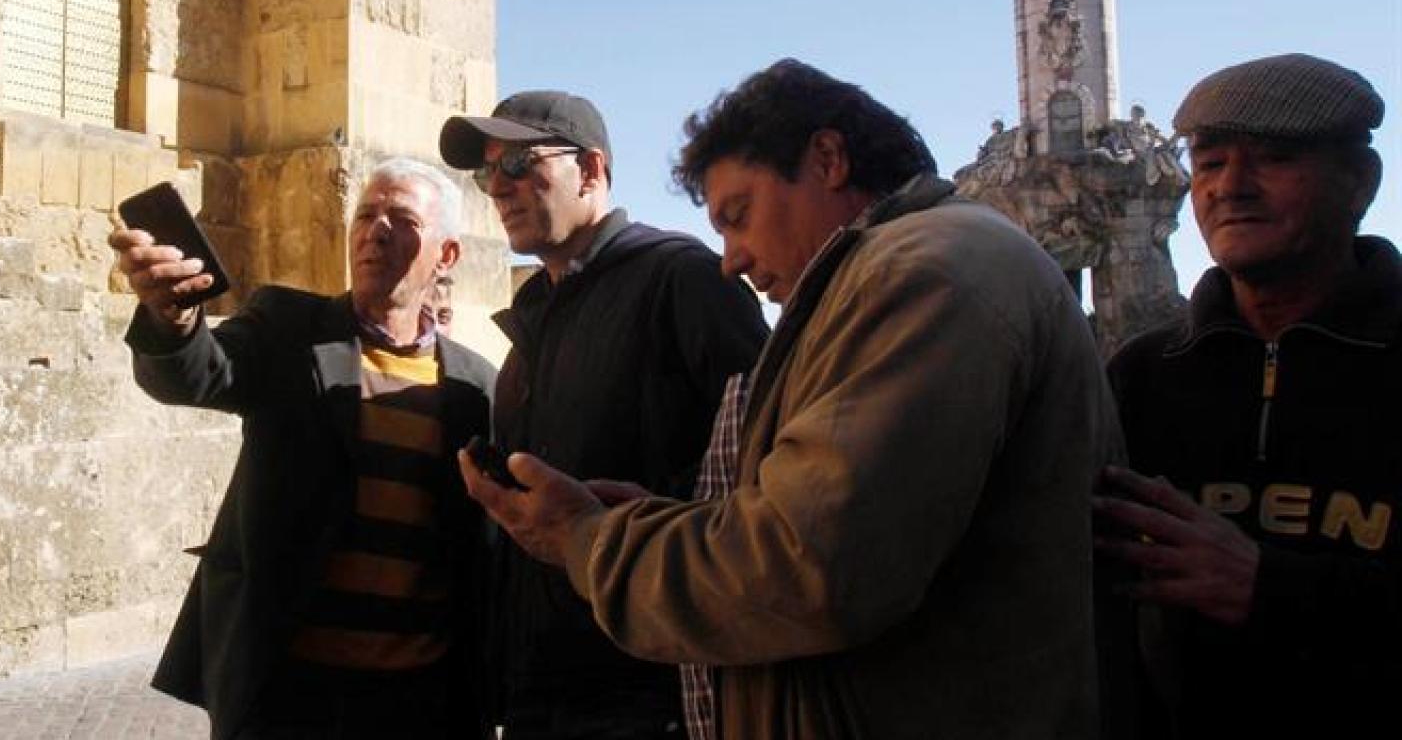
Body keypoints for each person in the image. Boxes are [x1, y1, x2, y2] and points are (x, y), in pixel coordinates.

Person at [459, 59, 1121, 739]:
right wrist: (657, 522)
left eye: (738, 216)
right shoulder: (897, 273)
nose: (731, 260)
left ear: (828, 159)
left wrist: (588, 540)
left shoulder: (925, 274)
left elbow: (806, 563)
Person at [109, 159, 497, 740]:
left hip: (421, 701)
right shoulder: (287, 328)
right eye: (365, 215)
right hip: (288, 695)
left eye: (403, 219)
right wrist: (175, 317)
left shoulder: (477, 388)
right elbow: (197, 375)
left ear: (446, 256)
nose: (377, 231)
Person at [439, 90, 768, 739]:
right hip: (540, 691)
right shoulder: (538, 314)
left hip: (648, 693)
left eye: (518, 165)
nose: (497, 190)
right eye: (486, 174)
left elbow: (768, 467)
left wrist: (619, 524)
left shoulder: (682, 280)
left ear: (590, 171)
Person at [1097, 53, 1396, 737]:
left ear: (1360, 182)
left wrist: (1273, 587)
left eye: (1273, 157)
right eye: (1209, 164)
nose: (1231, 187)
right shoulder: (1142, 375)